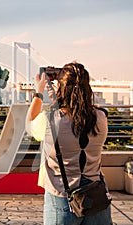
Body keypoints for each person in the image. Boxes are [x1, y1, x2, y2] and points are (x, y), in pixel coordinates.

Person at [26, 62, 113, 225]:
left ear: (61, 89)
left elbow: (29, 122)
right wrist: (59, 100)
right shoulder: (101, 118)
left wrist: (39, 92)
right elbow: (77, 121)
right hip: (96, 200)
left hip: (62, 201)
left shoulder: (50, 120)